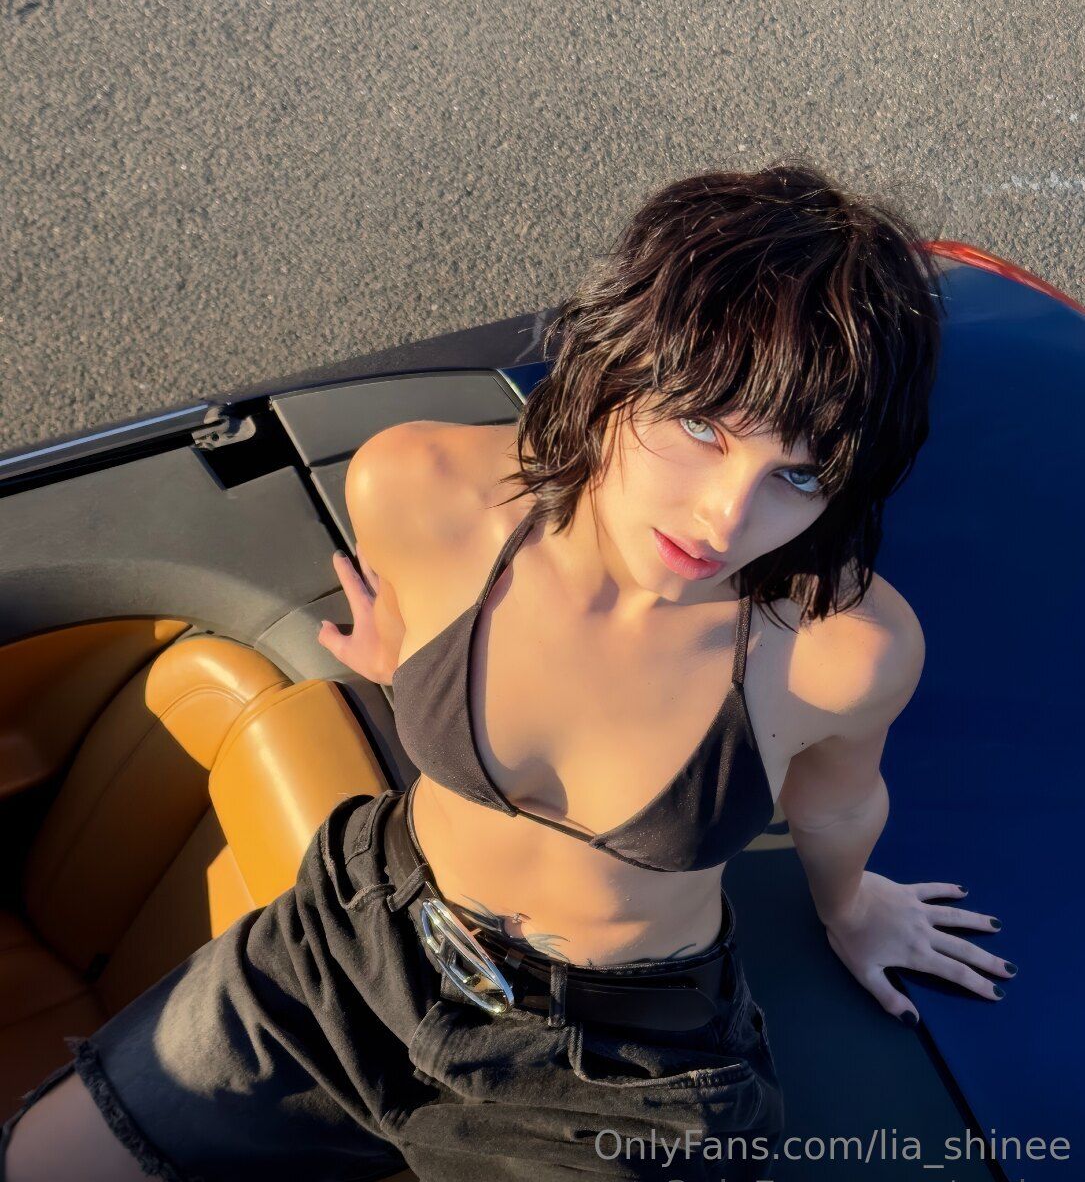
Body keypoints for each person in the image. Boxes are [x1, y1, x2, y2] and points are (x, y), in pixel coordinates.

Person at [1, 159, 1016, 1182]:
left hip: (618, 1068)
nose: (724, 517)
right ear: (618, 362)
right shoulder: (421, 487)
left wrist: (851, 910)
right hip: (357, 946)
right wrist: (413, 670)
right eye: (700, 424)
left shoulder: (838, 650)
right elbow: (429, 626)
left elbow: (838, 806)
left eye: (796, 474)